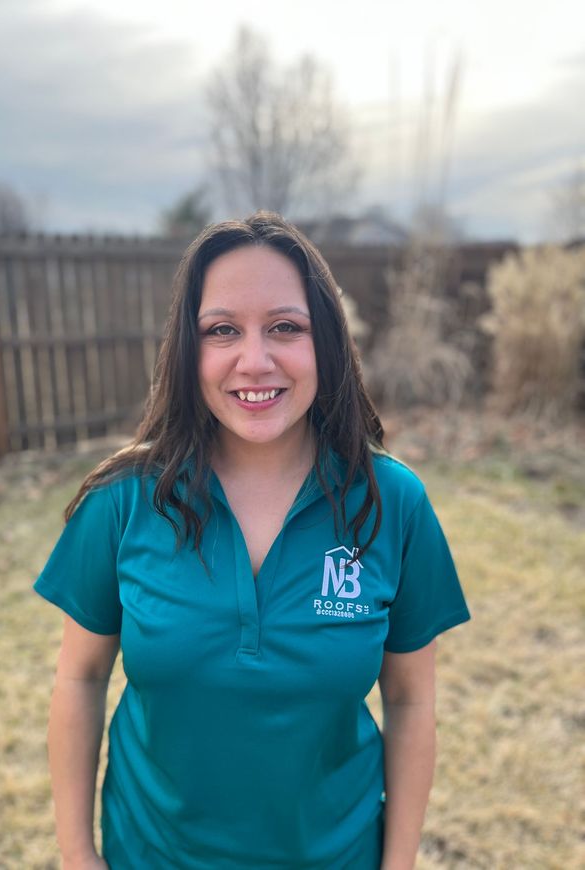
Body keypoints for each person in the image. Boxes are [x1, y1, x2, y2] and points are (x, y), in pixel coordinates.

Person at [34, 211, 471, 870]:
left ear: (325, 341)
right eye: (222, 330)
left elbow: (410, 698)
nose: (254, 360)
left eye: (285, 328)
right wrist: (76, 853)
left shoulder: (392, 502)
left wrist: (398, 862)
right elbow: (79, 676)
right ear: (189, 348)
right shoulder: (124, 499)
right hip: (150, 855)